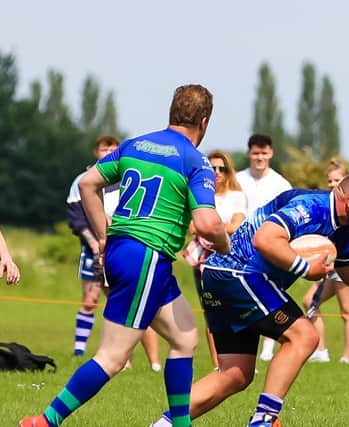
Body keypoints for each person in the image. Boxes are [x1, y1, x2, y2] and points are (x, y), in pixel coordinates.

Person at [20, 84, 230, 427]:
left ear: (172, 112)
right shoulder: (196, 161)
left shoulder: (135, 145)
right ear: (204, 122)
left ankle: (180, 424)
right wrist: (224, 245)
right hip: (146, 257)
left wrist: (104, 236)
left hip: (130, 253)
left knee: (184, 337)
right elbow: (207, 223)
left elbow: (88, 184)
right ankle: (46, 421)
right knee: (113, 357)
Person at [149, 171, 349, 427]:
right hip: (239, 273)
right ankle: (263, 421)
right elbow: (265, 239)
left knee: (235, 374)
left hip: (221, 275)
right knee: (304, 336)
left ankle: (164, 425)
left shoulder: (341, 232)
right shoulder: (310, 206)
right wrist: (305, 268)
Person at [66, 135, 160, 370]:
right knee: (90, 300)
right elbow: (77, 217)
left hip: (121, 248)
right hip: (93, 247)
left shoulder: (127, 177)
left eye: (113, 148)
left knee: (127, 301)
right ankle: (80, 352)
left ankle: (147, 361)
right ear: (96, 151)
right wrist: (95, 241)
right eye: (104, 148)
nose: (108, 151)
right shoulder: (84, 179)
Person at [184, 149, 247, 367]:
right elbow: (193, 227)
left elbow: (237, 225)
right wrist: (219, 229)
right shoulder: (199, 196)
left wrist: (210, 228)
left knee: (237, 309)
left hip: (230, 260)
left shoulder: (237, 196)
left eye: (222, 168)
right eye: (212, 168)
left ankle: (241, 359)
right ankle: (218, 363)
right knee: (212, 312)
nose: (217, 172)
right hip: (203, 261)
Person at [303, 159, 349, 364]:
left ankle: (346, 358)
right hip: (332, 267)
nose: (332, 184)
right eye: (329, 180)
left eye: (337, 180)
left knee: (348, 312)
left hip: (348, 267)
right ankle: (320, 351)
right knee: (310, 302)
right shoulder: (331, 208)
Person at [236, 133, 292, 361]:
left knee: (271, 290)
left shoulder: (281, 184)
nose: (259, 157)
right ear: (249, 154)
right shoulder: (238, 179)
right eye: (255, 153)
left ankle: (268, 347)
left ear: (271, 153)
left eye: (264, 153)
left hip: (271, 244)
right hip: (241, 244)